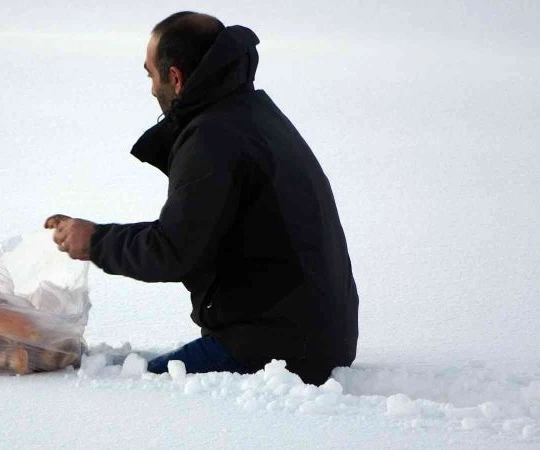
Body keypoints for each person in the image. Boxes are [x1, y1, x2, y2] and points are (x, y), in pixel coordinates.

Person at [45, 11, 359, 385]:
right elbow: (194, 232)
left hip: (280, 348)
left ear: (175, 78)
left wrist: (95, 241)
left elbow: (174, 250)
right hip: (314, 333)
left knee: (133, 385)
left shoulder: (213, 139)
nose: (150, 88)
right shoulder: (251, 113)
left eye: (151, 74)